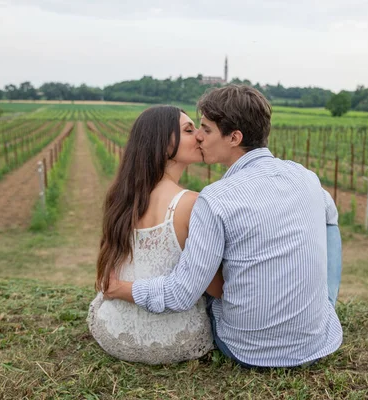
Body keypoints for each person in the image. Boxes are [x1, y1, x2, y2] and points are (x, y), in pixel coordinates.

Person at [105, 85, 343, 368]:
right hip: (318, 341)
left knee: (205, 291)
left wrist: (121, 289)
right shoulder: (305, 177)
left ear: (234, 137)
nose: (199, 137)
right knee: (327, 226)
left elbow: (182, 294)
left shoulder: (214, 199)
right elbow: (330, 216)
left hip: (246, 350)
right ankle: (323, 306)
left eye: (205, 128)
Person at [87, 105, 219, 365]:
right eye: (189, 130)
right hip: (175, 341)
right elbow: (214, 286)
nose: (199, 136)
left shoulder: (122, 197)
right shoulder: (192, 203)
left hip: (114, 332)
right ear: (163, 142)